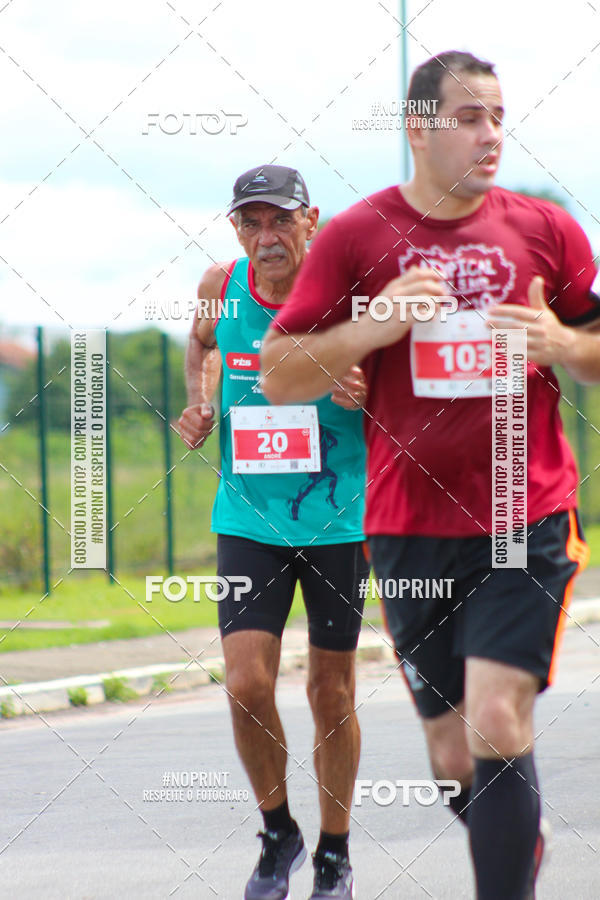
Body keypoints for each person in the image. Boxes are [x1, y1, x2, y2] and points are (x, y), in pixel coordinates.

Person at [261, 52, 600, 900]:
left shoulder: (546, 229)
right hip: (409, 528)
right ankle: (513, 824)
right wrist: (370, 330)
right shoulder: (357, 236)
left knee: (496, 716)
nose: (491, 135)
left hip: (526, 516)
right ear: (419, 127)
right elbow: (279, 374)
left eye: (498, 117)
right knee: (455, 753)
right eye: (471, 117)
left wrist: (562, 345)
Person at [178, 164, 369, 900]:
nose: (267, 237)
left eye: (280, 221)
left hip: (336, 520)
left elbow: (398, 392)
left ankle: (335, 853)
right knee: (246, 681)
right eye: (250, 223)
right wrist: (198, 404)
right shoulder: (218, 287)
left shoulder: (349, 292)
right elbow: (200, 345)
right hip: (248, 518)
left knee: (331, 692)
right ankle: (278, 833)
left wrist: (367, 391)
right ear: (235, 229)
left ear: (311, 220)